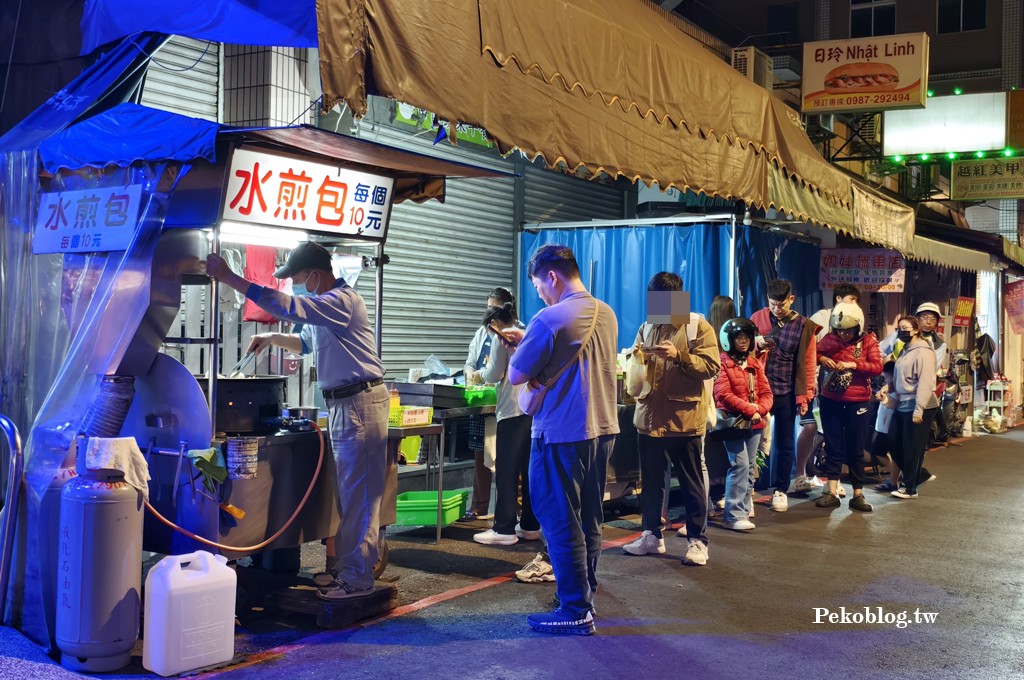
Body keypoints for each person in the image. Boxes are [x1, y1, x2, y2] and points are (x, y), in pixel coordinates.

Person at [206, 242, 387, 601]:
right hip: (345, 404)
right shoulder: (325, 309)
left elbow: (289, 306)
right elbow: (304, 343)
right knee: (350, 496)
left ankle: (357, 579)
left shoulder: (342, 301)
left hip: (359, 402)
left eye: (298, 278)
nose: (296, 285)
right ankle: (349, 571)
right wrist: (271, 337)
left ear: (315, 275)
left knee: (360, 498)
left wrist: (230, 278)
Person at [505, 244, 619, 636]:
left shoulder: (549, 318)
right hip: (602, 430)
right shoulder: (606, 313)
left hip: (560, 432)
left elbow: (516, 375)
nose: (540, 294)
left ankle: (574, 609)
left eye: (538, 285)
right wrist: (532, 339)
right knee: (589, 518)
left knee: (558, 520)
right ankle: (585, 595)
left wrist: (523, 343)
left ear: (552, 277)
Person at [622, 273, 720, 564]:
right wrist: (637, 356)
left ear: (678, 298)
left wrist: (679, 355)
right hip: (649, 417)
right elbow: (635, 365)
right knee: (651, 482)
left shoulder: (697, 326)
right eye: (655, 300)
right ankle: (651, 535)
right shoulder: (647, 326)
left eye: (665, 300)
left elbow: (711, 366)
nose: (659, 306)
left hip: (684, 419)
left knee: (691, 483)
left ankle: (697, 541)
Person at [471, 291, 540, 546]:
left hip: (511, 410)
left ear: (494, 322)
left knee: (507, 472)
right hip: (532, 409)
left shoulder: (501, 338)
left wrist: (479, 374)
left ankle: (504, 528)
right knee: (528, 471)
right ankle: (530, 525)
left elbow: (493, 374)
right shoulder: (526, 331)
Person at [752, 279, 818, 512]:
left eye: (781, 304)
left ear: (791, 299)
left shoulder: (804, 326)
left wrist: (805, 396)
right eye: (773, 304)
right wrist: (757, 346)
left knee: (785, 443)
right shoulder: (757, 318)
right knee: (752, 441)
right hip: (759, 391)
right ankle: (748, 487)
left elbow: (808, 363)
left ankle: (780, 489)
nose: (777, 309)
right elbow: (742, 350)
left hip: (786, 391)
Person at [792, 284, 860, 494]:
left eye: (856, 301)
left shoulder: (856, 319)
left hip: (839, 387)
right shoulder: (820, 318)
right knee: (810, 427)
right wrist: (817, 369)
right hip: (814, 383)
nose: (854, 305)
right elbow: (810, 351)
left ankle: (833, 480)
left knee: (834, 433)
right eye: (851, 299)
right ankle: (799, 474)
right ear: (838, 298)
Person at [814, 302, 882, 511]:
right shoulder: (829, 339)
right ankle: (832, 492)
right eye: (840, 330)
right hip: (830, 399)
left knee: (856, 448)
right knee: (832, 445)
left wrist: (854, 364)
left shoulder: (869, 341)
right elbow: (812, 354)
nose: (843, 335)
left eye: (848, 330)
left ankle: (858, 494)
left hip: (858, 402)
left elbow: (877, 367)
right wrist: (823, 358)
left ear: (858, 326)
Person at [713, 318, 773, 531]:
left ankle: (744, 509)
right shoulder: (722, 362)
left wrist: (760, 410)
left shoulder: (754, 363)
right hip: (734, 423)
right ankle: (734, 514)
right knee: (739, 465)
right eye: (738, 337)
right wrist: (750, 409)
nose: (743, 341)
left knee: (749, 468)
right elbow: (722, 393)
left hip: (755, 422)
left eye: (746, 337)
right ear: (729, 340)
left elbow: (767, 392)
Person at [461, 289, 512, 522]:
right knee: (481, 456)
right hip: (482, 401)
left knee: (508, 459)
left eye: (494, 307)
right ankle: (479, 506)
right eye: (488, 307)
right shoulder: (482, 332)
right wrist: (470, 375)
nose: (490, 313)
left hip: (506, 403)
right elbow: (470, 363)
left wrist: (483, 375)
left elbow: (495, 372)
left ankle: (511, 509)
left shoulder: (514, 330)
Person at [884, 315, 939, 499]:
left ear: (916, 330)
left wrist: (919, 408)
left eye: (905, 328)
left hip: (920, 404)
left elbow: (926, 382)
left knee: (912, 447)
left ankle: (909, 487)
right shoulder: (905, 349)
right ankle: (919, 474)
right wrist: (888, 387)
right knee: (893, 442)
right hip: (902, 403)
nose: (901, 332)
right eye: (899, 328)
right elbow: (899, 377)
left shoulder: (924, 352)